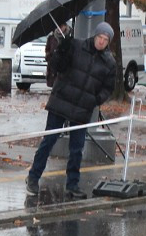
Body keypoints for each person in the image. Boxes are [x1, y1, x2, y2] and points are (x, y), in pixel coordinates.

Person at [25, 22, 118, 200]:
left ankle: (73, 184)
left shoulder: (109, 62)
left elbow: (108, 88)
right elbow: (57, 65)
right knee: (49, 141)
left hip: (83, 108)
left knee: (77, 149)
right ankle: (33, 177)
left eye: (105, 40)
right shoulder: (76, 46)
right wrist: (63, 48)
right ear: (95, 35)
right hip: (61, 101)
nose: (101, 42)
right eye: (100, 37)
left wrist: (95, 100)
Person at [45, 23, 70, 88]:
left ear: (65, 26)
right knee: (54, 88)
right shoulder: (51, 38)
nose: (59, 28)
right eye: (58, 26)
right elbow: (47, 51)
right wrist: (50, 56)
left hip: (64, 68)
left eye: (61, 26)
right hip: (53, 68)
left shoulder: (68, 38)